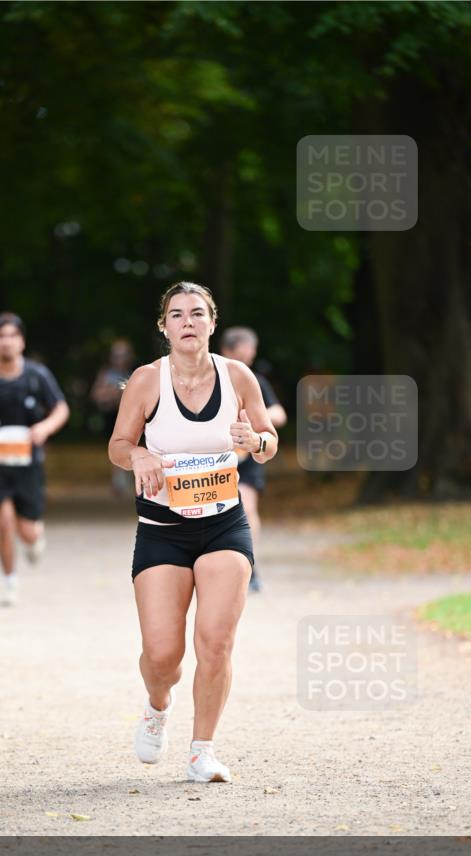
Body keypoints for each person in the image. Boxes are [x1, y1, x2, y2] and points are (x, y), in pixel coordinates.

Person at [109, 282, 278, 783]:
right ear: (164, 326)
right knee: (163, 655)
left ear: (212, 322)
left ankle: (202, 751)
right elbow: (118, 445)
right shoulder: (146, 380)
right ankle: (158, 705)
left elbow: (268, 443)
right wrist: (137, 454)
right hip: (162, 530)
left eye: (197, 313)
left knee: (216, 642)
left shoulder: (237, 376)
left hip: (224, 526)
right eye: (177, 314)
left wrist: (256, 439)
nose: (188, 321)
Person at [0, 312, 70, 605]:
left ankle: (35, 538)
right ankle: (10, 582)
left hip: (28, 465)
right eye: (0, 337)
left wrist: (44, 428)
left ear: (21, 342)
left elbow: (61, 409)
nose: (6, 342)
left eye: (12, 336)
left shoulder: (37, 376)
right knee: (4, 522)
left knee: (27, 531)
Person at [220, 327, 287, 593]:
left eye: (252, 348)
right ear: (228, 350)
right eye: (246, 347)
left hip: (247, 458)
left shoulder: (255, 380)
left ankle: (249, 567)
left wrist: (255, 422)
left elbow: (279, 414)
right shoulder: (210, 378)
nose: (251, 353)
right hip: (215, 459)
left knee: (247, 510)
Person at [90, 339, 136, 496]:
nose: (119, 358)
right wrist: (117, 393)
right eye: (116, 354)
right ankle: (119, 480)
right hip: (112, 416)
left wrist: (114, 392)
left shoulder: (137, 372)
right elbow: (97, 395)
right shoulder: (106, 372)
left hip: (134, 417)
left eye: (123, 354)